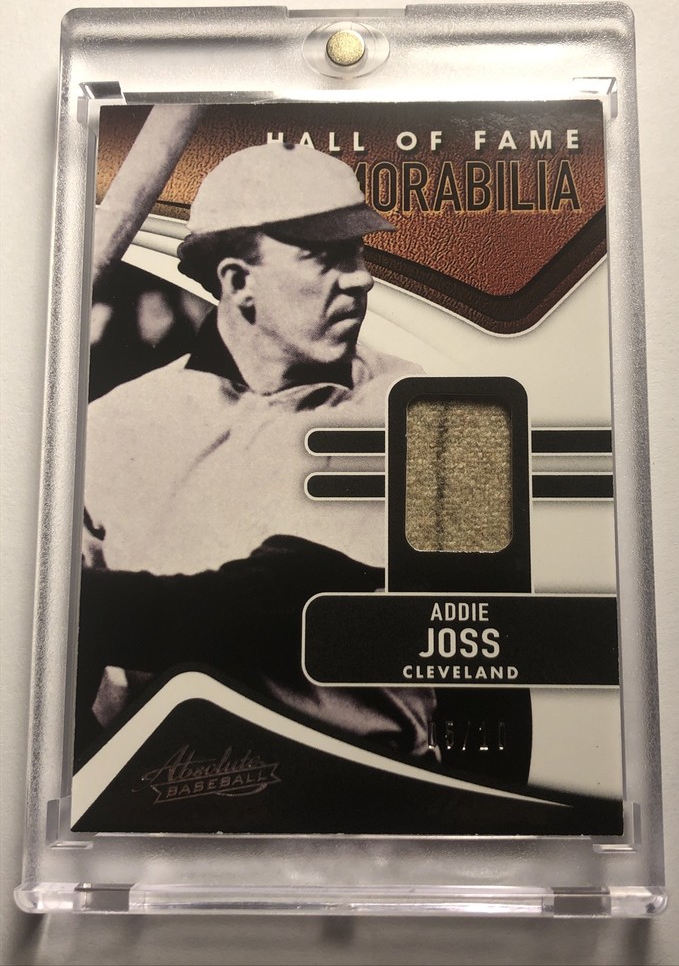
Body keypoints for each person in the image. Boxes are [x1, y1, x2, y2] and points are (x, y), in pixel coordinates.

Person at [78, 143, 435, 761]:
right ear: (238, 283)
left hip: (358, 784)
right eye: (326, 257)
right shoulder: (114, 424)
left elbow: (258, 606)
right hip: (156, 792)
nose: (362, 278)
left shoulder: (413, 405)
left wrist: (41, 599)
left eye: (357, 252)